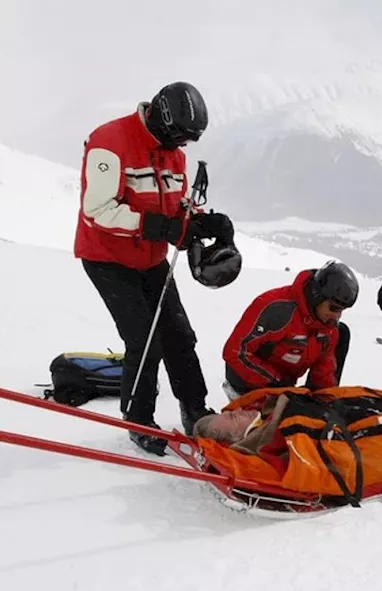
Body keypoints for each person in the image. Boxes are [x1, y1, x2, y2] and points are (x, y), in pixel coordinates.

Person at [74, 81, 239, 456]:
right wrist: (163, 228)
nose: (182, 147)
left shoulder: (173, 153)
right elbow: (97, 210)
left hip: (149, 258)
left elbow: (176, 207)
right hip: (107, 258)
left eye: (188, 141)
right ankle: (138, 420)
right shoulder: (110, 141)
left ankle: (194, 409)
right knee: (144, 341)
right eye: (180, 137)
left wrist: (200, 225)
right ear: (163, 120)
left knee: (179, 336)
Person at [222, 261, 357, 400]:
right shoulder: (276, 309)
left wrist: (324, 401)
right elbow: (235, 352)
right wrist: (276, 383)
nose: (337, 316)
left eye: (341, 310)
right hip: (250, 381)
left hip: (285, 386)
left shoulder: (328, 327)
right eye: (333, 308)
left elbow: (324, 367)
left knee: (342, 332)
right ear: (317, 296)